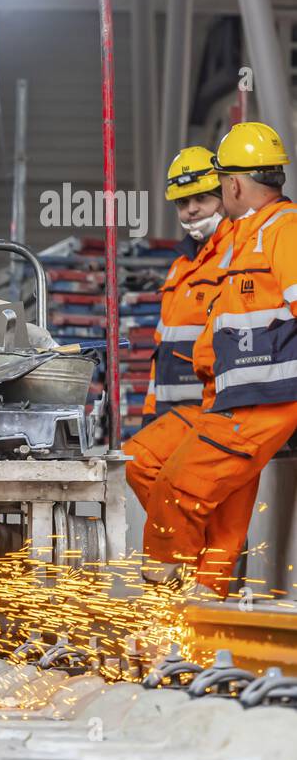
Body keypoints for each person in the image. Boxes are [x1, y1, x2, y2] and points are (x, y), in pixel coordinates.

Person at [142, 122, 297, 597]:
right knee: (151, 467)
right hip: (228, 399)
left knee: (177, 492)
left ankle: (178, 604)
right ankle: (197, 604)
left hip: (263, 400)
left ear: (231, 184)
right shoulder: (251, 236)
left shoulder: (282, 229)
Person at [125, 146, 241, 586]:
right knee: (140, 464)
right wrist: (151, 414)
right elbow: (165, 347)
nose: (192, 210)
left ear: (223, 196)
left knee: (223, 529)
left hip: (219, 413)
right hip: (176, 416)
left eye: (203, 200)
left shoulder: (234, 253)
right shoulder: (180, 267)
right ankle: (184, 584)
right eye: (183, 203)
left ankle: (207, 621)